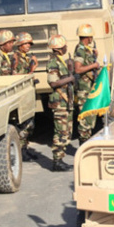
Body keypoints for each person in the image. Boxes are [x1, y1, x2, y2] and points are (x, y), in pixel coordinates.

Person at [46, 34, 74, 172]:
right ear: (59, 48)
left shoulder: (60, 61)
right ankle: (57, 161)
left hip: (65, 101)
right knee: (60, 132)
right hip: (59, 102)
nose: (66, 48)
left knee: (67, 132)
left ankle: (60, 159)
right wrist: (70, 79)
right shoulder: (53, 62)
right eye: (64, 46)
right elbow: (53, 82)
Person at [12, 32, 38, 161]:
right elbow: (16, 76)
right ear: (19, 45)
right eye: (25, 44)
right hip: (21, 94)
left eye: (29, 44)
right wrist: (32, 69)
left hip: (28, 92)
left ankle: (25, 149)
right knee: (23, 125)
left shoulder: (26, 57)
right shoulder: (16, 58)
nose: (28, 46)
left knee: (30, 124)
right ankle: (22, 151)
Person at [73, 24, 100, 145]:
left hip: (89, 88)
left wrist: (94, 57)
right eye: (90, 36)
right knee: (85, 119)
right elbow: (78, 69)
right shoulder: (80, 50)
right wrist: (94, 65)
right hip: (84, 90)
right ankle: (83, 145)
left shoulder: (86, 50)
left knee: (90, 118)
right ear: (87, 37)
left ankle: (87, 143)